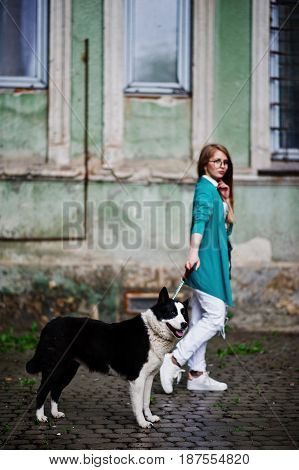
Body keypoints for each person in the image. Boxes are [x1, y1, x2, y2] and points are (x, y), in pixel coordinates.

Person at [160, 143, 235, 393]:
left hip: (214, 260)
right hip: (205, 262)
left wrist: (226, 203)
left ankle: (196, 374)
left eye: (225, 162)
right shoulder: (204, 189)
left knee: (201, 317)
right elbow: (200, 220)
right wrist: (193, 251)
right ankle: (174, 360)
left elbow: (222, 231)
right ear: (205, 164)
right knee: (216, 316)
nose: (222, 166)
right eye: (216, 161)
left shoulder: (215, 190)